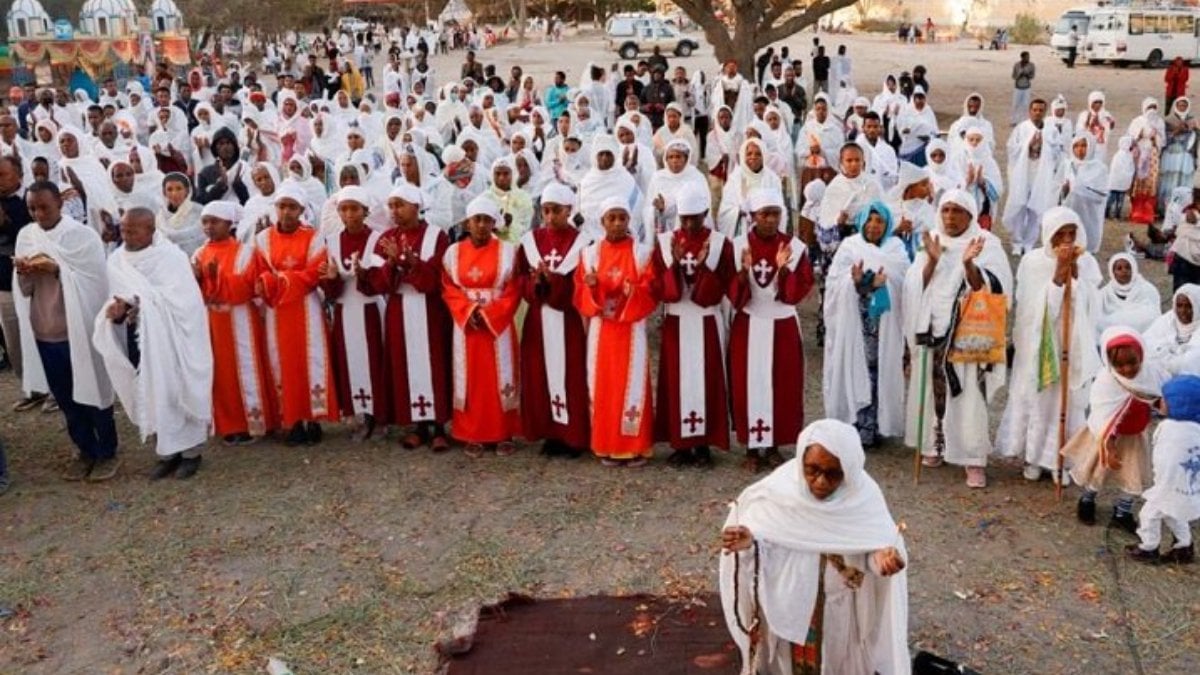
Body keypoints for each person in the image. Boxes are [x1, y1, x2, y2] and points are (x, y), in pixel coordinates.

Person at [719, 419, 909, 675]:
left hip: (838, 611)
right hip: (788, 604)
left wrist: (882, 559)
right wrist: (749, 544)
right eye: (812, 470)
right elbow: (762, 546)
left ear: (849, 470)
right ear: (801, 462)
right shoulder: (777, 494)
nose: (820, 481)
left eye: (833, 474)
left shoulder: (863, 499)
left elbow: (872, 551)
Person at [93, 208, 212, 479]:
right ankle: (166, 452)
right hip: (141, 339)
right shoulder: (116, 260)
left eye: (133, 231)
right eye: (124, 230)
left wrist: (142, 305)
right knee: (152, 389)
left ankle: (191, 453)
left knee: (176, 389)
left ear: (151, 230)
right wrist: (118, 311)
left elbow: (185, 302)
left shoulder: (171, 258)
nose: (126, 236)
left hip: (174, 341)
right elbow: (118, 297)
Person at [904, 190, 1012, 485]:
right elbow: (914, 285)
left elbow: (994, 291)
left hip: (968, 330)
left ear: (970, 214)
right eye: (946, 210)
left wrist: (968, 266)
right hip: (931, 327)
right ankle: (934, 445)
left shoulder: (985, 243)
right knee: (933, 388)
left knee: (969, 393)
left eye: (957, 211)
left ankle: (972, 458)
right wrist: (931, 261)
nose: (950, 217)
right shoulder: (933, 240)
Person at [14, 181, 119, 482]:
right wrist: (24, 270)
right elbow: (24, 290)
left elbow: (95, 282)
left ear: (60, 204)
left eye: (44, 207)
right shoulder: (27, 236)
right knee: (65, 396)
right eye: (32, 208)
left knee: (92, 389)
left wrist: (57, 269)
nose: (38, 214)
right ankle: (84, 448)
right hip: (45, 330)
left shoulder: (82, 236)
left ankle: (107, 451)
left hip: (78, 329)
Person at [997, 207, 1102, 485]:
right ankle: (1033, 457)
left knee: (1065, 403)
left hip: (1072, 342)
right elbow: (1031, 309)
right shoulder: (1032, 262)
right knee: (1039, 398)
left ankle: (1060, 461)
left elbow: (1091, 306)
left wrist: (1074, 274)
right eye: (1060, 234)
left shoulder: (1087, 263)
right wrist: (1058, 273)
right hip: (1040, 342)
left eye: (1071, 233)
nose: (1066, 240)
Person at [729, 188, 813, 472]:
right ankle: (752, 447)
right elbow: (733, 295)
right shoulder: (739, 246)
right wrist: (743, 273)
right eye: (764, 214)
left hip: (782, 324)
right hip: (750, 322)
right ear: (753, 216)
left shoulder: (794, 248)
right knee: (747, 384)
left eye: (775, 214)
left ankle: (775, 444)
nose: (770, 220)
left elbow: (797, 292)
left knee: (782, 384)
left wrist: (784, 271)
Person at [365, 183, 452, 451]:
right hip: (400, 308)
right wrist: (392, 264)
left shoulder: (437, 236)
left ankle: (439, 426)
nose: (395, 211)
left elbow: (437, 277)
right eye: (391, 206)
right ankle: (418, 425)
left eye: (400, 205)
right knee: (406, 363)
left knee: (434, 362)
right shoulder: (385, 239)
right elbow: (377, 282)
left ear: (416, 206)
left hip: (430, 309)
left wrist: (408, 262)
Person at [574, 198, 659, 467]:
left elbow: (651, 288)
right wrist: (591, 287)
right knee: (603, 386)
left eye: (622, 217)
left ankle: (634, 446)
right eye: (612, 218)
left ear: (629, 220)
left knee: (632, 385)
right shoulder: (589, 254)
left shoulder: (642, 253)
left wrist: (634, 292)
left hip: (631, 328)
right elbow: (580, 293)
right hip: (602, 331)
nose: (618, 223)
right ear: (602, 222)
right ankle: (606, 444)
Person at [654, 184, 733, 467]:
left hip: (705, 319)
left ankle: (703, 443)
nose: (688, 225)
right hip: (677, 319)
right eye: (684, 218)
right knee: (677, 380)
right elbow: (659, 287)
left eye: (695, 218)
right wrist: (674, 265)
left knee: (706, 379)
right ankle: (680, 443)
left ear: (705, 213)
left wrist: (703, 267)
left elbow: (722, 286)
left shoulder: (720, 244)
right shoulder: (666, 243)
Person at [254, 185, 336, 446]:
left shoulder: (314, 237)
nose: (286, 212)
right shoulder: (263, 239)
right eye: (282, 206)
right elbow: (261, 272)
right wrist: (273, 282)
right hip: (277, 310)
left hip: (306, 307)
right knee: (283, 363)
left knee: (310, 361)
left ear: (302, 210)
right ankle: (292, 421)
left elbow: (315, 272)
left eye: (292, 207)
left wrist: (280, 280)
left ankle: (313, 419)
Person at [823, 202, 909, 449]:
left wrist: (885, 283)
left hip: (884, 326)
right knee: (854, 368)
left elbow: (904, 283)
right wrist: (858, 283)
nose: (873, 226)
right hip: (854, 325)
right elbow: (834, 283)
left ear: (887, 224)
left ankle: (876, 426)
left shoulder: (896, 249)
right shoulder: (850, 247)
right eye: (869, 220)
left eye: (879, 221)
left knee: (878, 372)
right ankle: (853, 424)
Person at [441, 195, 522, 458]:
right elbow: (448, 287)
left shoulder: (508, 252)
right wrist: (469, 311)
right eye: (477, 220)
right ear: (467, 223)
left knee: (501, 377)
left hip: (497, 325)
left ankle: (504, 432)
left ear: (494, 223)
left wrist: (491, 314)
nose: (482, 225)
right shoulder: (453, 253)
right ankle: (472, 433)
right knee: (470, 379)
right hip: (467, 326)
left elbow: (513, 288)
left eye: (487, 220)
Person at [192, 200, 278, 445]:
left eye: (215, 222)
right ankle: (229, 424)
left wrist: (214, 280)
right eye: (205, 222)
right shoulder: (199, 254)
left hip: (242, 320)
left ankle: (254, 422)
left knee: (248, 370)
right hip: (213, 322)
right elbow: (192, 292)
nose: (209, 227)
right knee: (221, 375)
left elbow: (249, 287)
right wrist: (198, 279)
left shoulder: (246, 252)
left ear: (229, 223)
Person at [1064, 328, 1167, 531]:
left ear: (1141, 355)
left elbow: (1159, 397)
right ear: (1109, 363)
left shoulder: (1151, 374)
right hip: (1107, 438)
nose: (1127, 369)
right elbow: (1102, 416)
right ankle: (1087, 500)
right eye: (1119, 365)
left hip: (1135, 435)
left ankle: (1122, 512)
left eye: (1132, 363)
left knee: (1133, 474)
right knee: (1098, 471)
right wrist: (1109, 449)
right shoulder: (1106, 382)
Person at [516, 183, 590, 458]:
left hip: (567, 319)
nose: (549, 217)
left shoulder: (582, 244)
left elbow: (581, 284)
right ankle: (550, 432)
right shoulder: (530, 242)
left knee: (571, 375)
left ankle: (572, 436)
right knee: (540, 376)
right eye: (545, 211)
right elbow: (520, 279)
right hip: (539, 318)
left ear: (568, 210)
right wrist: (536, 283)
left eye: (556, 211)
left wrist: (554, 282)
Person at [319, 187, 388, 440]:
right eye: (344, 209)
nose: (349, 214)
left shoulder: (377, 239)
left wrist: (364, 275)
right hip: (345, 309)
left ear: (365, 211)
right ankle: (359, 416)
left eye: (354, 209)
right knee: (350, 363)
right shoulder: (332, 241)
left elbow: (382, 279)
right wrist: (332, 279)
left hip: (370, 308)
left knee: (375, 362)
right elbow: (329, 286)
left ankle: (379, 417)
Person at [1128, 374, 1200, 564]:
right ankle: (1184, 547)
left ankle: (1148, 547)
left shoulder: (1169, 428)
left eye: (1166, 400)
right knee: (1175, 513)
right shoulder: (1196, 428)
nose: (1161, 402)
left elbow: (1161, 453)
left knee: (1149, 515)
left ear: (1178, 404)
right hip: (1185, 485)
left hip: (1167, 485)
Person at [0, 155, 47, 413]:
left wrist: (7, 223)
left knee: (41, 336)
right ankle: (31, 388)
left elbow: (37, 234)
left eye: (2, 175)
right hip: (4, 284)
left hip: (35, 283)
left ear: (18, 174)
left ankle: (53, 389)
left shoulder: (32, 199)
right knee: (15, 341)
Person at [1004, 99, 1062, 256]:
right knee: (1020, 205)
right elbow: (1011, 148)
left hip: (1041, 173)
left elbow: (1057, 152)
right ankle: (1017, 242)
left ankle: (1029, 242)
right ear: (1030, 111)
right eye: (1035, 110)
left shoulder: (1051, 130)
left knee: (1036, 207)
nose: (1037, 113)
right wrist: (1027, 145)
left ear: (1045, 112)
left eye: (1041, 110)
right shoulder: (1021, 128)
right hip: (1023, 171)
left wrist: (1045, 146)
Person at [1059, 134, 1109, 254]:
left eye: (1084, 146)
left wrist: (1078, 189)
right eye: (1076, 146)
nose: (1080, 150)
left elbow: (1100, 195)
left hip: (1089, 214)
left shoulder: (1099, 168)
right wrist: (1064, 190)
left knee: (1086, 243)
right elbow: (1057, 188)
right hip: (1070, 211)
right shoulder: (1067, 165)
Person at [1097, 253, 1162, 337]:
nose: (1124, 271)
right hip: (1112, 336)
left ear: (1133, 269)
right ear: (1113, 272)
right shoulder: (1104, 293)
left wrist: (1119, 319)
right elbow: (1096, 315)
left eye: (1128, 267)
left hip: (1143, 335)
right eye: (1119, 268)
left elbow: (1153, 314)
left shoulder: (1147, 289)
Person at [1143, 285, 1200, 374]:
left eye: (1189, 306)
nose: (1183, 311)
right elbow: (1145, 343)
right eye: (1179, 306)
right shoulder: (1168, 319)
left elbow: (1191, 361)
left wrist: (1164, 355)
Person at [1127, 98, 1165, 224]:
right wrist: (1141, 134)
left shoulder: (1159, 122)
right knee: (1138, 181)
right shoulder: (1137, 121)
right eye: (1150, 107)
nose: (1152, 110)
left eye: (1154, 107)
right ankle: (1136, 210)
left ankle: (1148, 211)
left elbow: (1163, 141)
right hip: (1139, 154)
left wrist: (1155, 138)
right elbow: (1130, 138)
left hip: (1153, 155)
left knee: (1151, 182)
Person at [1158, 97, 1196, 213]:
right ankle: (1165, 208)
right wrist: (1177, 131)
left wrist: (1193, 130)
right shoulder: (1168, 120)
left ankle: (1182, 209)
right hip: (1171, 153)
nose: (1182, 107)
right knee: (1170, 178)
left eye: (1184, 105)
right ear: (1176, 106)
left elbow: (1195, 137)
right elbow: (1163, 137)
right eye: (1180, 105)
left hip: (1185, 155)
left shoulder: (1192, 120)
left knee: (1183, 179)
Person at [1106, 136, 1135, 219]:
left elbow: (1131, 167)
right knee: (1112, 199)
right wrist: (1125, 174)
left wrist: (1127, 174)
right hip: (1116, 182)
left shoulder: (1128, 155)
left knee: (1120, 200)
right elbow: (1115, 169)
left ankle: (1117, 214)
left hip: (1122, 182)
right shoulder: (1119, 155)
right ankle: (1107, 212)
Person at [1010, 51, 1035, 126]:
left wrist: (1027, 75)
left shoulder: (1031, 65)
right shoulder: (1017, 65)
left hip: (1026, 87)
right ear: (1022, 57)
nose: (1028, 58)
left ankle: (1024, 121)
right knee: (1015, 104)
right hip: (1018, 87)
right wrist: (1019, 75)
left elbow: (1032, 76)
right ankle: (1014, 120)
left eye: (1028, 57)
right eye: (1026, 57)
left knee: (1025, 105)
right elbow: (1013, 76)